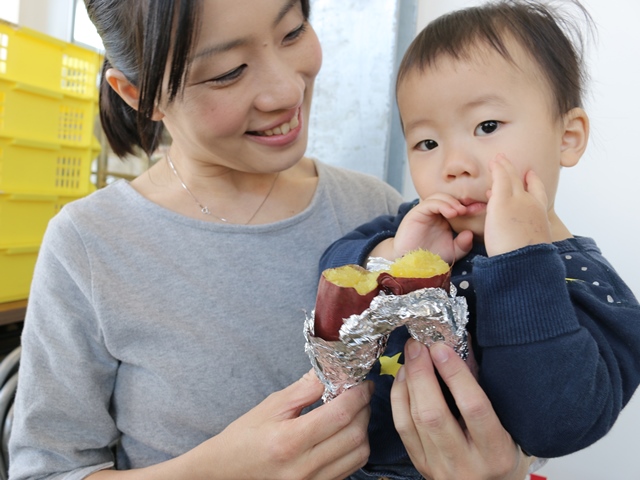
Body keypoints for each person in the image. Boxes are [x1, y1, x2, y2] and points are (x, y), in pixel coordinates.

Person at [8, 1, 536, 479]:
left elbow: (496, 400)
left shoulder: (383, 217)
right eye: (226, 72)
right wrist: (215, 472)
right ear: (137, 94)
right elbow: (46, 469)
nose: (287, 90)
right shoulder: (89, 244)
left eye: (292, 32)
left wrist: (501, 467)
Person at [320, 1, 640, 479]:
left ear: (568, 137)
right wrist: (398, 260)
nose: (454, 163)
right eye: (427, 142)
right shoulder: (419, 226)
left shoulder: (592, 285)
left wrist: (522, 262)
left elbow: (557, 425)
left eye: (487, 127)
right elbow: (329, 274)